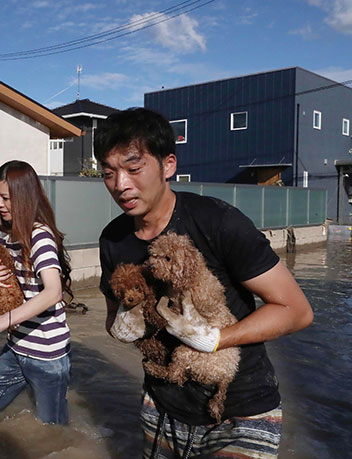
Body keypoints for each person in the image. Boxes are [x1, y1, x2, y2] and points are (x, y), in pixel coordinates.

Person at [95, 108, 313, 458]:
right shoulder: (113, 241)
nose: (120, 185)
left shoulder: (219, 222)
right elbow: (112, 315)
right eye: (109, 173)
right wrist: (122, 324)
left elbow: (296, 311)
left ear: (168, 165)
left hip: (241, 411)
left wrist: (214, 339)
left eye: (133, 169)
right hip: (161, 407)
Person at [0, 160, 73, 424]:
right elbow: (7, 282)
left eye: (5, 197)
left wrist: (1, 322)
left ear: (24, 197)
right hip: (17, 347)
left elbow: (54, 292)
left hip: (48, 356)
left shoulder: (40, 237)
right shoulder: (7, 237)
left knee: (52, 431)